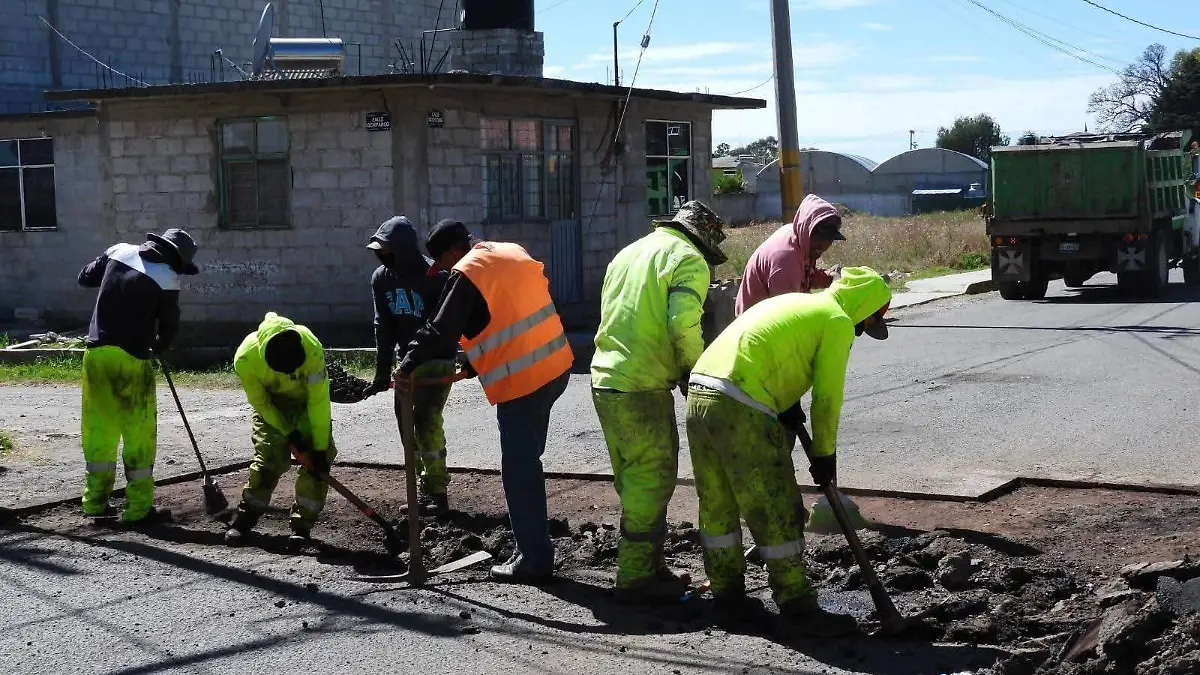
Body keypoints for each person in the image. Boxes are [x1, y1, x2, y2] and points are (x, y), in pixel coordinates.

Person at [685, 267, 891, 636]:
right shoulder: (837, 320)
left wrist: (786, 403)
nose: (861, 331)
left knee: (718, 503)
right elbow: (827, 397)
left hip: (700, 393)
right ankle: (796, 602)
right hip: (741, 403)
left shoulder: (797, 302)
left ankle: (727, 594)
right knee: (775, 504)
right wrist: (825, 455)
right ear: (865, 308)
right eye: (868, 323)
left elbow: (770, 350)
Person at [394, 220, 572, 584]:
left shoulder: (467, 271)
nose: (445, 271)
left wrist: (407, 364)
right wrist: (479, 361)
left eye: (443, 263)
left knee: (520, 467)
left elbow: (441, 328)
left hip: (525, 379)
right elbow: (510, 309)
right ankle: (530, 547)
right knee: (527, 460)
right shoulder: (510, 252)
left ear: (452, 252)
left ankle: (534, 559)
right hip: (556, 365)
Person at [590, 201, 727, 603]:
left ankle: (650, 565)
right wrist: (697, 372)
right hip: (642, 386)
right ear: (703, 241)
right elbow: (682, 324)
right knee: (650, 481)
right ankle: (635, 577)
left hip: (606, 379)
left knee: (633, 478)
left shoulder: (629, 253)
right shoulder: (688, 259)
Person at [76, 228, 200, 523]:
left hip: (95, 355)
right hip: (132, 360)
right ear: (175, 259)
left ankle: (94, 503)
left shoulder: (117, 251)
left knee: (99, 430)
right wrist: (160, 346)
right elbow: (169, 326)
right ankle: (137, 509)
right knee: (138, 433)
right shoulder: (166, 277)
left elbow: (85, 277)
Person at [366, 216, 457, 515]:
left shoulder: (436, 276)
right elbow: (383, 326)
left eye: (388, 250)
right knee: (407, 426)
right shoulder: (382, 278)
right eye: (381, 252)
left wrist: (412, 361)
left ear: (403, 249)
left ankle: (437, 492)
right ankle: (421, 487)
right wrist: (382, 372)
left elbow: (441, 328)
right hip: (405, 365)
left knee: (426, 420)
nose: (383, 257)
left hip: (436, 360)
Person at [224, 313, 336, 548]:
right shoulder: (245, 359)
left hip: (305, 406)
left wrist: (318, 447)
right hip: (272, 409)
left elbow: (318, 401)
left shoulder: (312, 347)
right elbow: (262, 403)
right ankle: (247, 515)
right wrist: (288, 432)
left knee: (319, 465)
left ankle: (302, 526)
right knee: (268, 461)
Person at [734, 194, 846, 315]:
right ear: (806, 228)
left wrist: (828, 277)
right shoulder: (785, 260)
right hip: (757, 322)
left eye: (829, 238)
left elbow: (802, 276)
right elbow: (790, 315)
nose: (823, 244)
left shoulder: (798, 237)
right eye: (819, 236)